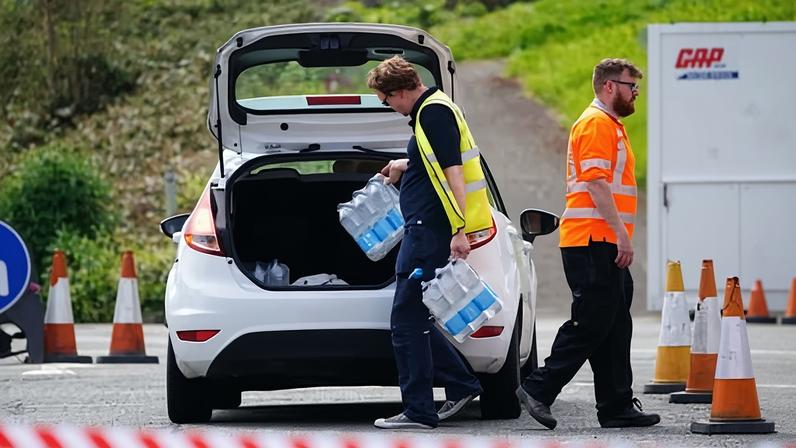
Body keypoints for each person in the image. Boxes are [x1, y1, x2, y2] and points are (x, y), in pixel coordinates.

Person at [515, 58, 661, 429]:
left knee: (615, 325)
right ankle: (538, 388)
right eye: (632, 87)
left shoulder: (609, 124)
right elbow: (596, 184)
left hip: (600, 239)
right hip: (595, 240)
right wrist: (622, 235)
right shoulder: (596, 123)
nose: (635, 94)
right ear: (610, 86)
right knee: (593, 322)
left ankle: (616, 405)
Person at [366, 56, 492, 429]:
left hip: (430, 230)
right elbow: (435, 161)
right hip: (426, 227)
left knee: (405, 320)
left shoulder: (433, 113)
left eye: (386, 99)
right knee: (415, 315)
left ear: (402, 91)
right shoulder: (431, 111)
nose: (388, 106)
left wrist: (459, 230)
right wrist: (405, 164)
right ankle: (461, 383)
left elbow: (454, 172)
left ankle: (419, 410)